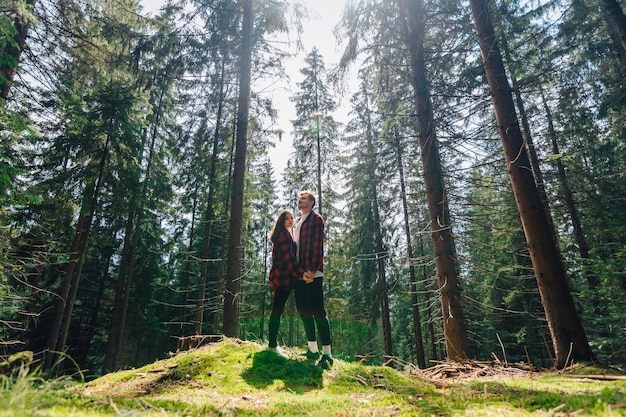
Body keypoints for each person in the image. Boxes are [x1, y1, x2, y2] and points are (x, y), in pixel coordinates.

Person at [293, 190, 333, 369]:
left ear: (311, 202)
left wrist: (311, 270)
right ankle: (312, 349)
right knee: (303, 310)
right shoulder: (298, 222)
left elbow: (317, 245)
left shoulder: (316, 219)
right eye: (299, 199)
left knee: (318, 312)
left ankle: (327, 353)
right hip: (299, 274)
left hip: (312, 274)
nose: (300, 201)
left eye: (303, 199)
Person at [267, 210, 312, 356]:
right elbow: (288, 260)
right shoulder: (283, 236)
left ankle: (272, 344)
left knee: (277, 310)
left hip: (284, 277)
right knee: (277, 310)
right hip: (282, 278)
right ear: (281, 221)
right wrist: (301, 275)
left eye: (292, 218)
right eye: (287, 218)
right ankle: (272, 346)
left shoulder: (285, 235)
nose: (291, 220)